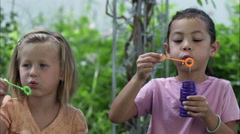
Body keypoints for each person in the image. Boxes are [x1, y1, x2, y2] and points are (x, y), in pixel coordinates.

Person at [108, 8, 240, 134]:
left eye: (197, 39)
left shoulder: (222, 89)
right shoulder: (157, 88)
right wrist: (139, 77)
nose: (186, 45)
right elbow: (116, 116)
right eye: (178, 40)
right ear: (168, 50)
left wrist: (208, 115)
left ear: (213, 48)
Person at [0, 30, 88, 133]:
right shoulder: (9, 109)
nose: (32, 72)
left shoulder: (74, 119)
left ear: (62, 73)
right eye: (26, 65)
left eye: (42, 65)